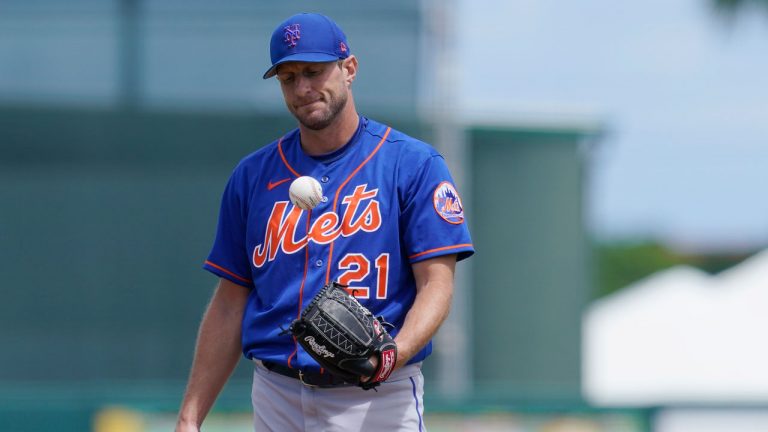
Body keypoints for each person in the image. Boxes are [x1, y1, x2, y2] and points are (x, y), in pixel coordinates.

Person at [175, 12, 473, 432]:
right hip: (277, 393)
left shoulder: (412, 165)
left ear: (349, 68)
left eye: (314, 71)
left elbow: (437, 284)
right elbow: (229, 302)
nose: (303, 88)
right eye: (288, 77)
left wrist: (393, 353)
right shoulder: (252, 176)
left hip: (377, 399)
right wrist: (190, 417)